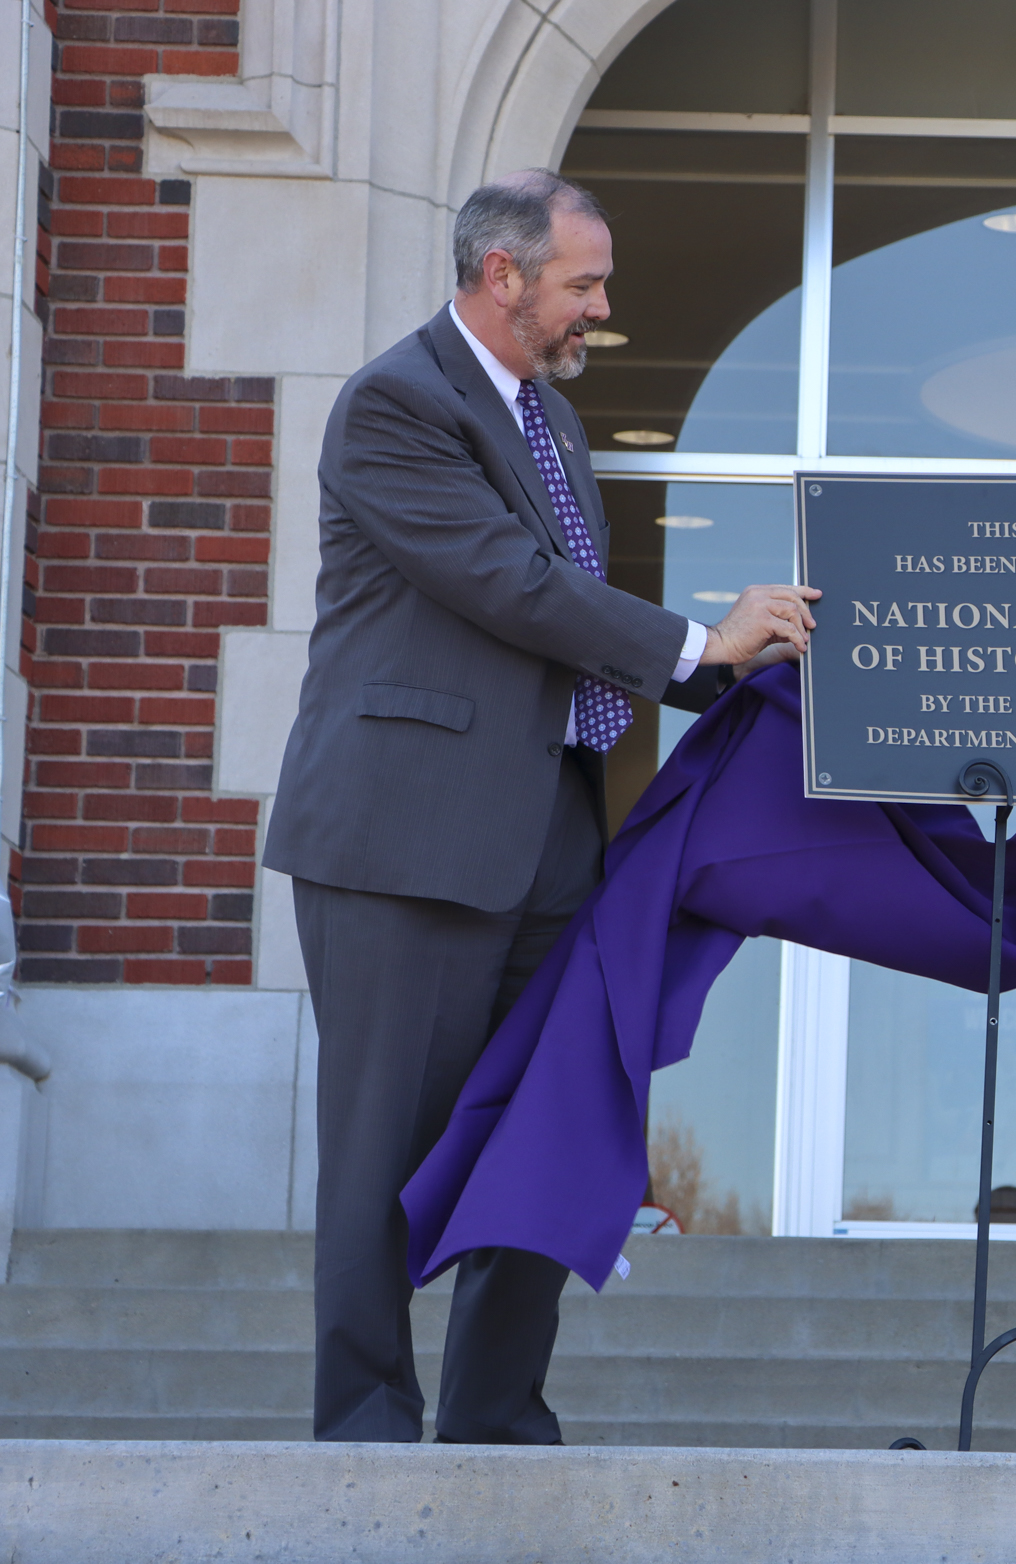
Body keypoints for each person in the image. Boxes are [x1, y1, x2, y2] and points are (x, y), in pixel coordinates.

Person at [264, 170, 820, 1444]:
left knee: (544, 1130)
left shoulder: (553, 427)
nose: (601, 310)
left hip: (549, 846)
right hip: (399, 846)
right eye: (583, 284)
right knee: (379, 1156)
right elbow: (508, 586)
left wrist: (744, 673)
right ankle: (361, 1426)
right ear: (500, 276)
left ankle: (498, 1416)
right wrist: (700, 644)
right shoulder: (395, 406)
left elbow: (564, 635)